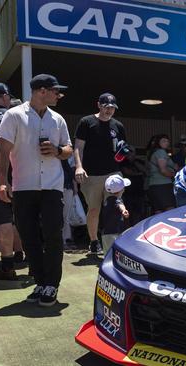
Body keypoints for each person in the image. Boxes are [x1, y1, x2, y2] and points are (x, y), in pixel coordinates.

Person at [0, 74, 73, 306]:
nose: (59, 95)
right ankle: (40, 282)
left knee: (52, 235)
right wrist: (3, 181)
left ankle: (52, 284)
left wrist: (58, 150)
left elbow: (68, 149)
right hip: (23, 186)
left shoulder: (57, 119)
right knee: (29, 237)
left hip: (52, 186)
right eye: (55, 91)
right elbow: (2, 151)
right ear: (41, 91)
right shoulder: (13, 115)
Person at [74, 93, 126, 255]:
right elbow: (78, 147)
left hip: (113, 172)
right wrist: (79, 167)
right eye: (106, 107)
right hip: (92, 174)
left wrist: (124, 152)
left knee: (114, 208)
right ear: (99, 105)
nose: (109, 110)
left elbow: (121, 148)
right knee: (94, 209)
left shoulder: (118, 126)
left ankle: (113, 244)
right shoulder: (86, 122)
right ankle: (94, 241)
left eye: (112, 108)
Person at [0, 82, 24, 280]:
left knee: (3, 219)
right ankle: (24, 259)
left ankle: (7, 265)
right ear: (5, 96)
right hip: (21, 176)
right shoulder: (16, 116)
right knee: (21, 219)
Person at [147, 134, 177, 213]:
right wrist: (175, 175)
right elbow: (163, 170)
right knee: (170, 211)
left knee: (158, 212)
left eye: (167, 141)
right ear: (158, 142)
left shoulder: (155, 152)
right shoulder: (161, 152)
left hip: (154, 186)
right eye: (164, 141)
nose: (166, 143)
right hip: (163, 185)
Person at [101, 175, 130, 254]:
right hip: (115, 233)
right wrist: (124, 210)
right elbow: (119, 204)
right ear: (122, 190)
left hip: (106, 233)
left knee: (108, 254)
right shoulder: (117, 200)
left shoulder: (106, 200)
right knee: (116, 254)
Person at [119, 146, 147, 225]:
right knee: (128, 212)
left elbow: (145, 170)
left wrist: (134, 161)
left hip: (139, 191)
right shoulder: (122, 162)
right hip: (127, 192)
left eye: (132, 151)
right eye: (128, 151)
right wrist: (139, 174)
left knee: (140, 211)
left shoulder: (138, 161)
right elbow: (127, 172)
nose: (130, 153)